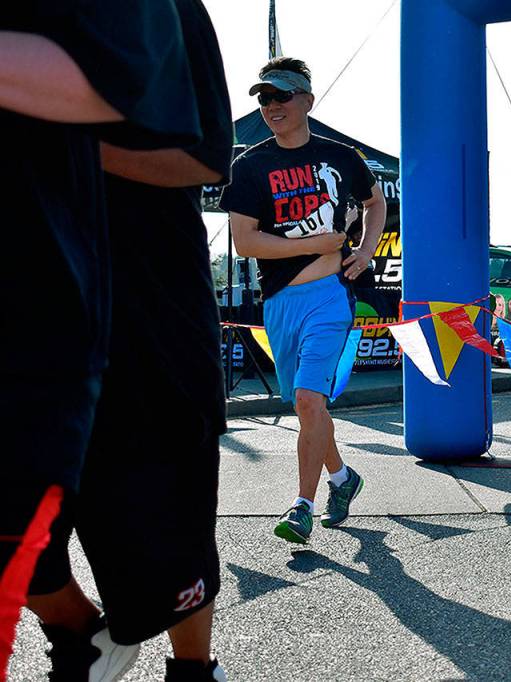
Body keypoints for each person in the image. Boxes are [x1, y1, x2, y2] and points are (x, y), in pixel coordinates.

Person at [0, 3, 207, 679]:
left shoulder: (168, 12)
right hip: (30, 292)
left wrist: (52, 130)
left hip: (144, 298)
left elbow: (200, 158)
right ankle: (80, 633)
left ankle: (194, 671)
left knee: (164, 529)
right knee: (23, 539)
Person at [220, 56, 387, 544]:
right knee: (306, 406)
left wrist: (363, 250)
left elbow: (375, 203)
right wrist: (312, 245)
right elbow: (246, 243)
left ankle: (302, 506)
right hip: (278, 303)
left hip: (330, 298)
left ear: (307, 100)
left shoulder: (341, 156)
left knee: (309, 399)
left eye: (281, 96)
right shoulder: (250, 165)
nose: (272, 106)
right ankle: (342, 478)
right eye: (264, 99)